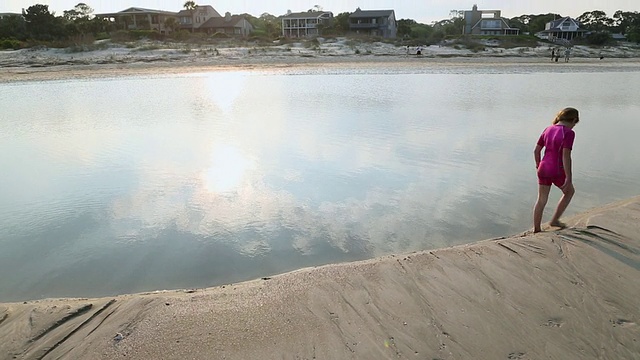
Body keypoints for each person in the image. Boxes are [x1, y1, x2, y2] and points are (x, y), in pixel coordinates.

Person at [532, 107, 580, 233]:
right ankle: (555, 220)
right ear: (574, 119)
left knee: (541, 199)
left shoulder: (548, 129)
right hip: (556, 169)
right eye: (575, 123)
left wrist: (538, 165)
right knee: (569, 192)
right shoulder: (568, 133)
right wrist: (569, 177)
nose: (574, 126)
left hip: (543, 167)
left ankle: (537, 229)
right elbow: (566, 156)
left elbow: (536, 151)